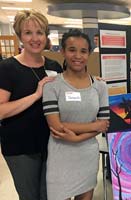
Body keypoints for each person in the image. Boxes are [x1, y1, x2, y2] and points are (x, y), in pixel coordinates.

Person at [0, 10, 62, 200]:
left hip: (52, 143)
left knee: (49, 195)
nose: (35, 38)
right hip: (21, 147)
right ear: (20, 37)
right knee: (30, 196)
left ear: (46, 35)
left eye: (39, 32)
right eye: (28, 33)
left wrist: (92, 83)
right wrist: (36, 95)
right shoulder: (8, 68)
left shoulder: (54, 66)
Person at [42, 29, 110, 200]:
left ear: (89, 54)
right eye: (72, 50)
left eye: (83, 51)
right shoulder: (52, 85)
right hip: (60, 156)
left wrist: (77, 137)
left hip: (87, 156)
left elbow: (105, 124)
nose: (77, 56)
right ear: (63, 52)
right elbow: (55, 126)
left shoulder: (100, 86)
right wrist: (94, 125)